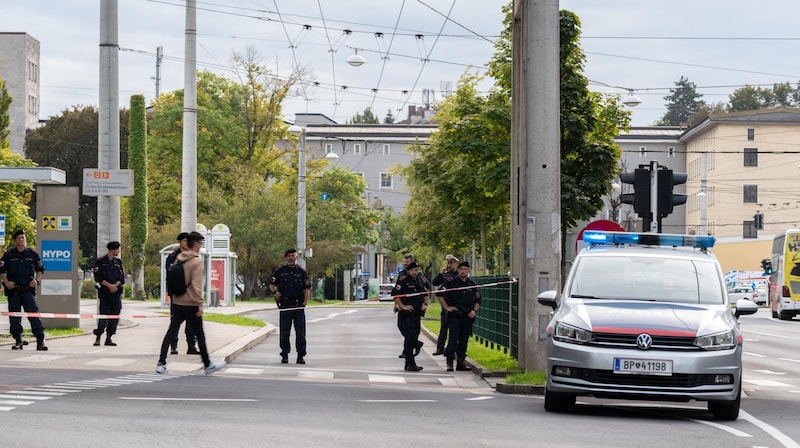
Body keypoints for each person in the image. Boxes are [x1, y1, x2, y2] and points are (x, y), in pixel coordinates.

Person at [156, 231, 225, 375]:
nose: (200, 245)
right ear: (196, 244)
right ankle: (207, 364)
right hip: (191, 303)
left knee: (171, 331)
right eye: (200, 242)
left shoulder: (179, 258)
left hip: (177, 301)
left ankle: (161, 362)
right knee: (199, 334)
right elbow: (196, 286)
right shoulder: (196, 261)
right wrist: (199, 304)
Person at [0, 229, 47, 351]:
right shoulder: (9, 254)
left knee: (34, 315)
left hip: (27, 290)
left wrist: (36, 281)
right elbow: (1, 270)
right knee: (15, 317)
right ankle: (18, 341)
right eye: (19, 238)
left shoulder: (32, 253)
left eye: (23, 237)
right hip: (14, 290)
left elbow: (40, 269)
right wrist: (6, 282)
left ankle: (40, 341)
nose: (22, 239)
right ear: (15, 240)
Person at [269, 248, 311, 364]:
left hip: (298, 305)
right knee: (284, 332)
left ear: (296, 257)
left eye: (293, 256)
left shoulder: (302, 271)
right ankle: (285, 354)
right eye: (288, 256)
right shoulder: (280, 271)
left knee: (300, 333)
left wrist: (305, 303)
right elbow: (272, 285)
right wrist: (275, 292)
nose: (290, 258)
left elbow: (307, 288)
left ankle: (300, 355)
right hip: (286, 305)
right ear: (285, 258)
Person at [438, 261, 481, 372]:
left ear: (468, 270)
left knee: (464, 341)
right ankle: (450, 363)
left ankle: (461, 363)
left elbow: (478, 300)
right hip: (455, 317)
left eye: (465, 269)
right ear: (458, 270)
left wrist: (474, 311)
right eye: (461, 269)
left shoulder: (472, 284)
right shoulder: (451, 283)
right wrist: (447, 307)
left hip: (467, 317)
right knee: (453, 340)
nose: (463, 271)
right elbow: (439, 294)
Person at [164, 232, 199, 355]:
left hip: (190, 295)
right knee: (175, 323)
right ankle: (173, 346)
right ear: (180, 242)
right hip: (178, 294)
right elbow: (171, 275)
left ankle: (191, 346)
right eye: (184, 240)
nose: (186, 243)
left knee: (191, 323)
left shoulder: (192, 256)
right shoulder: (173, 256)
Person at [392, 261, 428, 371]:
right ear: (408, 271)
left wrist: (425, 304)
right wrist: (403, 306)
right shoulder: (403, 281)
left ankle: (412, 358)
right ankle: (410, 363)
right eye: (412, 270)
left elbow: (425, 293)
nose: (414, 272)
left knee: (413, 337)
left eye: (416, 270)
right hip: (406, 315)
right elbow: (396, 296)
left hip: (417, 314)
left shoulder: (419, 280)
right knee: (410, 339)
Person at [92, 241, 125, 346]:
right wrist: (109, 286)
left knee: (115, 316)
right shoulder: (101, 261)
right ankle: (98, 337)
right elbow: (98, 277)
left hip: (116, 293)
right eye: (117, 249)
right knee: (104, 316)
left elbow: (122, 278)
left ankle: (109, 337)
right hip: (105, 293)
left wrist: (116, 285)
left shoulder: (118, 262)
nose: (118, 251)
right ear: (112, 250)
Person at [430, 254, 459, 355]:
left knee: (455, 330)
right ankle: (440, 348)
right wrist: (441, 273)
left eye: (452, 263)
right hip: (446, 305)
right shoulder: (445, 275)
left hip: (456, 305)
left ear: (456, 264)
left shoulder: (459, 275)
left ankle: (454, 348)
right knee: (443, 328)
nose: (450, 265)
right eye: (448, 263)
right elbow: (434, 283)